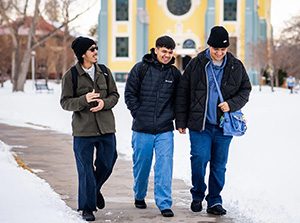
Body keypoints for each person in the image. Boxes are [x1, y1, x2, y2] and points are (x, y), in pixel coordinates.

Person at [175, 26, 251, 215]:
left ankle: (215, 200)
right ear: (209, 46)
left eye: (223, 50)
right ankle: (198, 195)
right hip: (200, 125)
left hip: (224, 126)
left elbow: (245, 90)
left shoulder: (235, 65)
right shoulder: (196, 64)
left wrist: (231, 104)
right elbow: (183, 92)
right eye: (215, 49)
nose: (219, 53)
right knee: (199, 159)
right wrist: (181, 121)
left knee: (219, 165)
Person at [60, 36, 119, 221]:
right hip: (83, 130)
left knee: (108, 162)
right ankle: (87, 208)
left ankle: (93, 190)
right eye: (92, 49)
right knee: (85, 170)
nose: (96, 52)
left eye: (96, 48)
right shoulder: (71, 76)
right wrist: (83, 100)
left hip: (106, 128)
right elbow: (65, 103)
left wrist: (104, 103)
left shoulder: (105, 72)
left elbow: (115, 95)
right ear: (82, 54)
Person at [124, 36, 181, 217]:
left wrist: (178, 120)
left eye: (170, 52)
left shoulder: (174, 74)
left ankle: (164, 203)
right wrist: (138, 114)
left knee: (164, 166)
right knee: (142, 166)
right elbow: (129, 94)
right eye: (164, 51)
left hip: (164, 129)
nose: (167, 55)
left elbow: (179, 101)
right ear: (155, 50)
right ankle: (139, 195)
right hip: (142, 129)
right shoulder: (140, 69)